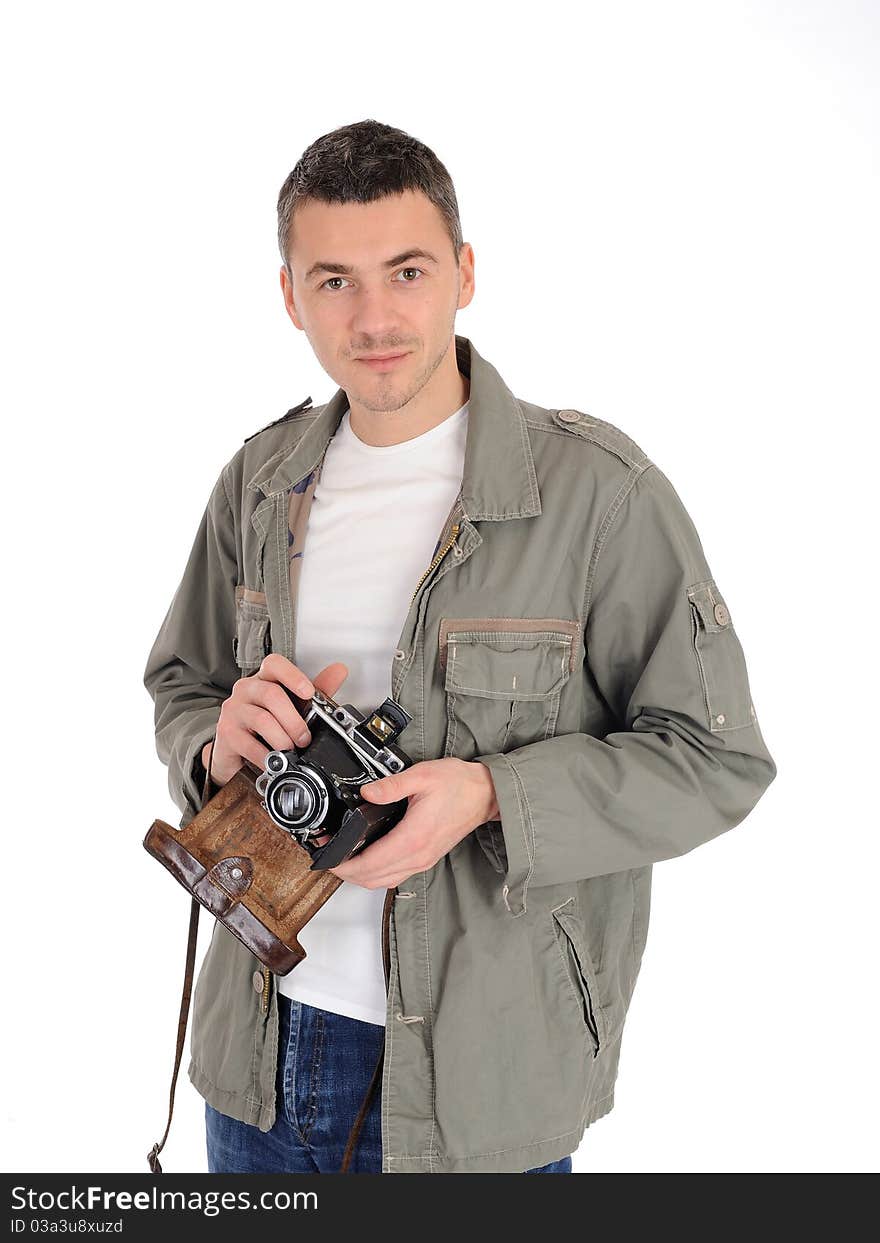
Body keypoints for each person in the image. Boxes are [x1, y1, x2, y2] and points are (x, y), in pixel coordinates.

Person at [143, 118, 777, 1175]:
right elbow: (183, 683)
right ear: (290, 296)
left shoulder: (600, 497)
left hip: (481, 1079)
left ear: (465, 274)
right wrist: (215, 741)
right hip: (256, 1045)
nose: (376, 315)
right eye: (334, 280)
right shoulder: (259, 480)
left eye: (406, 270)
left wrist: (491, 799)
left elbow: (716, 762)